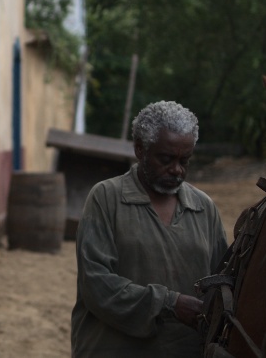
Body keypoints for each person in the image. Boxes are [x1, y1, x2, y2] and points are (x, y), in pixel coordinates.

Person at [71, 101, 228, 357]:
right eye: (166, 159)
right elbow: (96, 284)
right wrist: (169, 304)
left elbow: (222, 281)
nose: (177, 169)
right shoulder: (106, 198)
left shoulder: (203, 207)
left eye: (184, 160)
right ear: (140, 149)